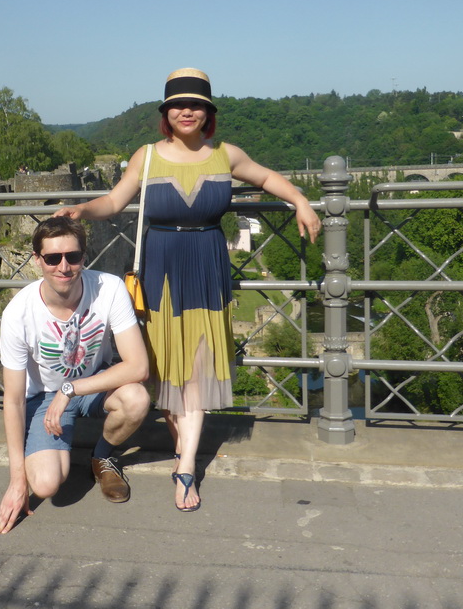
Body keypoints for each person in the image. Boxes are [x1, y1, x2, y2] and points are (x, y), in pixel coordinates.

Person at [55, 68, 321, 512]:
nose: (187, 111)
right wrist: (84, 208)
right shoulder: (147, 156)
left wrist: (302, 200)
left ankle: (186, 469)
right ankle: (184, 448)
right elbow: (116, 201)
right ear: (166, 113)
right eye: (178, 105)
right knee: (165, 370)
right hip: (161, 271)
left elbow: (269, 178)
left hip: (206, 268)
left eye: (196, 104)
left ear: (208, 113)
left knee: (197, 368)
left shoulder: (226, 155)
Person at [0, 217, 150, 535]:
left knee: (136, 398)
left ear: (84, 256)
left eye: (72, 257)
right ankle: (40, 447)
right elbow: (12, 399)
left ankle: (101, 457)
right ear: (37, 260)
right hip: (43, 398)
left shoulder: (109, 288)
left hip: (90, 383)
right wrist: (16, 480)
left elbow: (138, 367)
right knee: (48, 485)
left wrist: (71, 388)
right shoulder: (18, 313)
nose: (63, 266)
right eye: (52, 258)